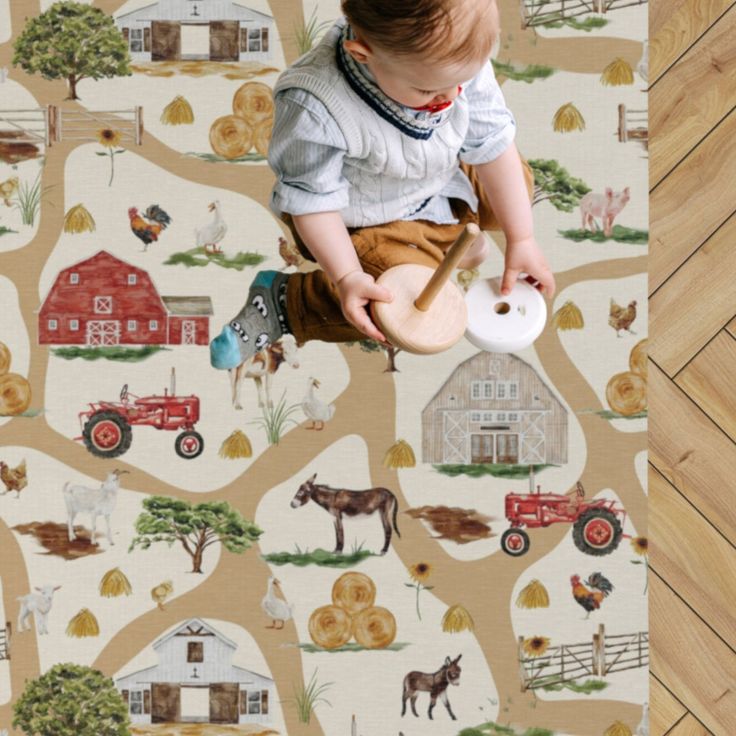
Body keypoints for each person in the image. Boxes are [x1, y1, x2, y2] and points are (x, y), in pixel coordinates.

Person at [210, 0, 555, 371]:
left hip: (440, 170)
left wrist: (522, 239)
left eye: (460, 82)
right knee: (395, 304)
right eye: (428, 91)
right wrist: (347, 277)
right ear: (362, 55)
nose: (451, 97)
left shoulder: (450, 60)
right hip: (365, 217)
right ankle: (285, 303)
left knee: (514, 177)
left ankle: (448, 236)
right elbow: (313, 203)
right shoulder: (314, 105)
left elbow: (491, 141)